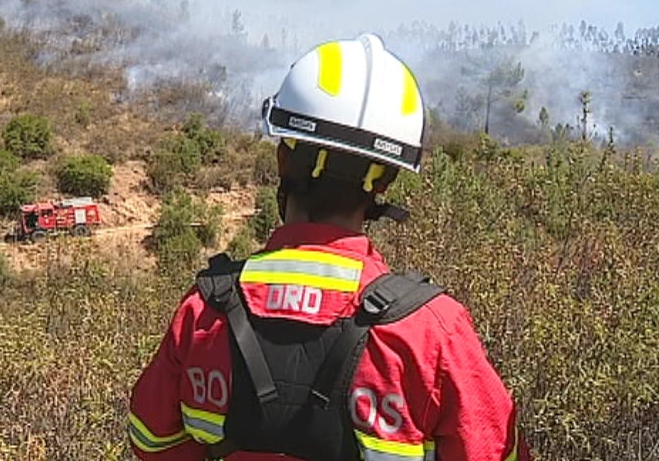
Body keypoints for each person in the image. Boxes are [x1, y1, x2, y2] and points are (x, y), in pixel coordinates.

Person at [128, 34, 531, 461]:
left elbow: (152, 441)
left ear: (284, 159)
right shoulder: (432, 332)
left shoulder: (204, 311)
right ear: (384, 182)